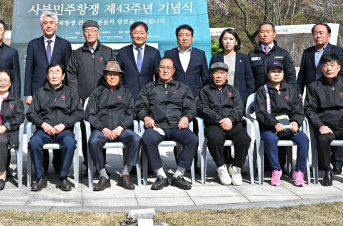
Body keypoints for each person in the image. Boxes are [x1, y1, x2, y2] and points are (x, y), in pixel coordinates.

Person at [304, 53, 343, 187]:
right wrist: (319, 125)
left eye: (332, 65)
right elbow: (309, 109)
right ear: (321, 68)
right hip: (326, 127)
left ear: (338, 68)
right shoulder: (314, 87)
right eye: (325, 65)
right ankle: (327, 170)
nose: (329, 69)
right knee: (321, 139)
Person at [136, 57, 198, 190]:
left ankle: (178, 175)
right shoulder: (148, 88)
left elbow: (190, 108)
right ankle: (161, 176)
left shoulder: (183, 88)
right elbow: (140, 107)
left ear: (174, 71)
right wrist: (145, 117)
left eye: (168, 68)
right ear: (158, 69)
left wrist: (186, 117)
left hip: (177, 127)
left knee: (192, 139)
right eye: (162, 67)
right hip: (157, 126)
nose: (165, 70)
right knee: (147, 138)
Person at [297, 23, 343, 174]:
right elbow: (302, 75)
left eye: (321, 33)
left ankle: (337, 163)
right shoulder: (308, 52)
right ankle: (322, 162)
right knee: (318, 127)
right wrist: (299, 92)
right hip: (314, 96)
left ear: (329, 35)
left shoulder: (338, 51)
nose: (318, 35)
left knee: (336, 126)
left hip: (333, 95)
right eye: (315, 33)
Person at [24, 11, 73, 173]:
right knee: (41, 129)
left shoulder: (65, 44)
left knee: (61, 128)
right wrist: (28, 94)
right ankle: (42, 168)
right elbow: (28, 70)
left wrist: (69, 94)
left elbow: (68, 72)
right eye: (45, 23)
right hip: (39, 92)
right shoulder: (33, 44)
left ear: (56, 25)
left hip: (60, 93)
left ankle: (60, 167)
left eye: (51, 22)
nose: (49, 25)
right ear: (41, 25)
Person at [27, 63, 84, 192]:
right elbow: (30, 113)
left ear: (63, 76)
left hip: (63, 130)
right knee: (33, 142)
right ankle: (41, 177)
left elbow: (79, 112)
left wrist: (64, 125)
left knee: (70, 143)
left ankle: (63, 177)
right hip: (44, 130)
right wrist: (43, 124)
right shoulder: (40, 93)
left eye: (57, 72)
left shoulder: (71, 93)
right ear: (47, 76)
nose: (54, 75)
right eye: (51, 72)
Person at [85, 61, 140, 191]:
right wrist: (103, 129)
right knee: (93, 141)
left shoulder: (126, 93)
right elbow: (90, 114)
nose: (112, 77)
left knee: (136, 139)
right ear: (105, 76)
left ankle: (125, 175)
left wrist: (121, 127)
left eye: (116, 74)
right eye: (109, 74)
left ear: (120, 77)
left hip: (121, 129)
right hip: (102, 129)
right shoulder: (97, 92)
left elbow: (131, 112)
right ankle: (103, 176)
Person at [254, 61, 309, 186]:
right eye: (273, 72)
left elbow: (298, 110)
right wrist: (274, 123)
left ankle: (300, 171)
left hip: (288, 127)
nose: (276, 74)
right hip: (270, 127)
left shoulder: (291, 90)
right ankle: (276, 169)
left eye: (279, 72)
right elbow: (261, 112)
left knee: (304, 139)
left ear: (283, 74)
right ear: (267, 74)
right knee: (271, 138)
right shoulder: (262, 91)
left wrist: (296, 121)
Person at [67, 20, 112, 165]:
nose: (90, 33)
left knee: (101, 129)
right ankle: (88, 163)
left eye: (93, 30)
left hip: (103, 100)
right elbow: (71, 75)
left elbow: (113, 75)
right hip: (83, 99)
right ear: (83, 34)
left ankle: (101, 164)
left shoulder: (107, 51)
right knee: (86, 131)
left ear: (98, 32)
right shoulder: (77, 54)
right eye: (87, 30)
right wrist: (76, 96)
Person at [197, 62, 250, 186]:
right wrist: (220, 119)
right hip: (214, 124)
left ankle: (236, 168)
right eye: (216, 73)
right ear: (211, 75)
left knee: (244, 139)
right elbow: (202, 108)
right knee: (214, 139)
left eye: (222, 73)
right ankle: (221, 168)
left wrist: (230, 119)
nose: (219, 76)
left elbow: (239, 107)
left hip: (233, 123)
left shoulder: (233, 90)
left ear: (226, 75)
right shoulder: (205, 91)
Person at [116, 21, 160, 102]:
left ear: (146, 34)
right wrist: (122, 91)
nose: (139, 36)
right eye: (136, 33)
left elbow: (158, 76)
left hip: (148, 96)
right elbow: (118, 75)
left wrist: (154, 92)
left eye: (142, 33)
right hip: (127, 96)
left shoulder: (154, 52)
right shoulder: (122, 52)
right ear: (130, 34)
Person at [248, 21, 297, 92]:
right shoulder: (252, 54)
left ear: (274, 34)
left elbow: (291, 76)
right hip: (258, 94)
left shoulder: (283, 53)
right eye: (262, 32)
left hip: (279, 94)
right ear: (258, 34)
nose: (265, 35)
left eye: (268, 31)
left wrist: (292, 93)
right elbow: (249, 77)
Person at [164, 24, 209, 99]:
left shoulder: (200, 54)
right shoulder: (169, 54)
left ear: (192, 37)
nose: (184, 38)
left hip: (195, 95)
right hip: (174, 95)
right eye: (181, 35)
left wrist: (204, 95)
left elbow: (205, 77)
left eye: (187, 35)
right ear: (177, 37)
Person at [209, 28, 255, 103]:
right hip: (220, 98)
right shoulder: (215, 58)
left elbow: (249, 79)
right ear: (221, 41)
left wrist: (248, 96)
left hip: (240, 97)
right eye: (225, 39)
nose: (228, 42)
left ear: (236, 42)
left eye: (231, 39)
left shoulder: (244, 58)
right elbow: (210, 78)